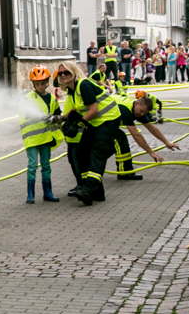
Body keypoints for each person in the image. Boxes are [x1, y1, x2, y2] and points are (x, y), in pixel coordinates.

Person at [58, 59, 122, 206]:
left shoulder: (83, 85)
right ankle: (97, 192)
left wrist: (79, 124)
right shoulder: (72, 90)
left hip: (109, 119)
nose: (63, 75)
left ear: (73, 72)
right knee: (81, 153)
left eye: (66, 72)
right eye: (60, 73)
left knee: (97, 154)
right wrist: (62, 118)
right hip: (96, 122)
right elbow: (75, 109)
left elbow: (94, 110)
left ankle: (88, 189)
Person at [111, 94, 180, 180]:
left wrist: (167, 142)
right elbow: (135, 134)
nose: (142, 114)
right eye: (141, 111)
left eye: (145, 113)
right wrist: (150, 152)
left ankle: (124, 172)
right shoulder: (125, 109)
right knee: (119, 139)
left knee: (110, 145)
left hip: (103, 122)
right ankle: (124, 172)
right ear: (136, 103)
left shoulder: (136, 110)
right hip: (96, 121)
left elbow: (151, 128)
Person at [20, 66, 63, 204]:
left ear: (47, 82)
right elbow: (24, 116)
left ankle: (48, 193)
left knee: (46, 166)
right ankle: (30, 195)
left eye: (43, 83)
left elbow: (58, 114)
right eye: (37, 83)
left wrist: (54, 118)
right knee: (32, 165)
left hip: (46, 137)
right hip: (32, 139)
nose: (40, 86)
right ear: (33, 84)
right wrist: (40, 118)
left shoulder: (52, 98)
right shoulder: (28, 98)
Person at [55, 64, 85, 195]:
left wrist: (65, 120)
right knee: (73, 161)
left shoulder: (77, 91)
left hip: (79, 135)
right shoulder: (70, 94)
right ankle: (80, 185)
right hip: (72, 137)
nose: (59, 85)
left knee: (79, 163)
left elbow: (77, 111)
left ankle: (83, 186)